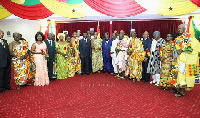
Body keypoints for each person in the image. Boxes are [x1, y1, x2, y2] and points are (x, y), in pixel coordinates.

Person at [172, 24, 199, 97]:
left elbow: (192, 47)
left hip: (184, 59)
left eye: (180, 28)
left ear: (184, 29)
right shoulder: (178, 38)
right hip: (177, 59)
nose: (179, 30)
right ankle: (178, 88)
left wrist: (182, 49)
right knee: (177, 73)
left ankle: (182, 91)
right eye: (178, 28)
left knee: (182, 74)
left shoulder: (188, 37)